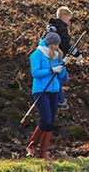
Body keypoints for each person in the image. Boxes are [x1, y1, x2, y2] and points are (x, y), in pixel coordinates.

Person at [26, 31, 67, 159]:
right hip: (40, 90)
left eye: (58, 44)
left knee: (51, 122)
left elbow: (62, 77)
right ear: (50, 44)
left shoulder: (56, 55)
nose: (57, 47)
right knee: (46, 120)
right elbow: (36, 73)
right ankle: (31, 146)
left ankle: (43, 152)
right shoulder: (37, 54)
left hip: (53, 91)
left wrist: (63, 66)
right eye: (55, 44)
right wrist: (51, 70)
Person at [48, 6, 82, 110]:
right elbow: (65, 45)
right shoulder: (61, 28)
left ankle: (56, 97)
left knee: (61, 77)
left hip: (52, 56)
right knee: (60, 78)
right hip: (56, 57)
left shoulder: (52, 26)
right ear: (64, 17)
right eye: (68, 19)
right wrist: (77, 54)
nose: (69, 22)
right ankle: (59, 100)